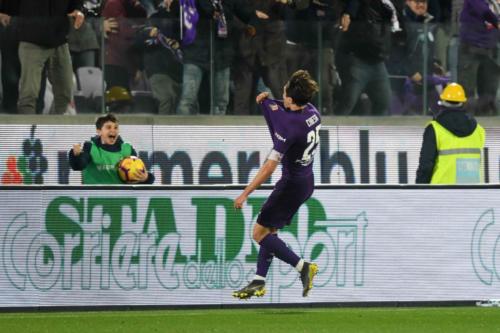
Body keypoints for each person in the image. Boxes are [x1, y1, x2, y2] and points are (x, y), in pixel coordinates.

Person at [232, 70, 321, 299]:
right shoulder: (312, 112)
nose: (282, 95)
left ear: (291, 99)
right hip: (306, 181)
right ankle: (259, 280)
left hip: (291, 184)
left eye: (285, 93)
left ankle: (303, 267)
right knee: (270, 230)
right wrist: (267, 104)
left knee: (258, 233)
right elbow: (283, 116)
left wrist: (245, 194)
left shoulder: (290, 127)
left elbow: (268, 168)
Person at [12, 0, 85, 114]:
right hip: (31, 38)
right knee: (29, 94)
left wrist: (78, 9)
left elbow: (75, 3)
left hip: (59, 40)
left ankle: (52, 128)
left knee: (65, 92)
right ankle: (26, 130)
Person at [416, 82, 485, 184]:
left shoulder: (434, 129)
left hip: (442, 192)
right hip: (473, 192)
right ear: (463, 102)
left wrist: (419, 189)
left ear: (443, 102)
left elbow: (426, 165)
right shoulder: (478, 130)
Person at [69, 113, 155, 184]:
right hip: (93, 200)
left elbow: (136, 177)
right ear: (99, 131)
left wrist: (146, 178)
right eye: (108, 127)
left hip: (120, 200)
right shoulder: (90, 147)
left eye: (116, 127)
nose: (113, 130)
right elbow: (78, 166)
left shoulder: (127, 149)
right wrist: (76, 155)